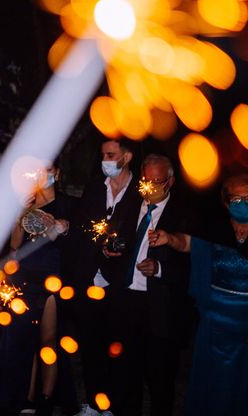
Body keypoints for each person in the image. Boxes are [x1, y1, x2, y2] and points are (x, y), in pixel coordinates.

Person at [0, 164, 81, 416]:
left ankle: (46, 399)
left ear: (58, 173)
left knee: (48, 340)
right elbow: (14, 245)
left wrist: (64, 228)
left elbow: (76, 244)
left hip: (53, 278)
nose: (42, 175)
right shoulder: (26, 200)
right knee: (24, 340)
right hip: (25, 277)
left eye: (49, 169)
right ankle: (26, 399)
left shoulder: (68, 204)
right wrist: (20, 210)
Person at [156, 174, 248, 416]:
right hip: (216, 320)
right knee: (214, 382)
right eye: (237, 198)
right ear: (227, 202)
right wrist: (169, 238)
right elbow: (189, 244)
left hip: (246, 320)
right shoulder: (217, 228)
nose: (243, 203)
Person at [106, 154, 191, 416]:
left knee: (160, 381)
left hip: (161, 308)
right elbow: (113, 239)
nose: (151, 187)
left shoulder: (183, 214)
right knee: (125, 377)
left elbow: (193, 267)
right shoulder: (130, 206)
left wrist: (160, 268)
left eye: (157, 181)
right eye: (146, 180)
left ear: (170, 181)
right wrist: (110, 250)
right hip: (127, 301)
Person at [69, 138, 140, 415]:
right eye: (103, 155)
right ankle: (92, 402)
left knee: (118, 347)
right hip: (89, 279)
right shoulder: (95, 188)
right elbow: (82, 229)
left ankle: (113, 404)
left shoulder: (140, 192)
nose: (105, 160)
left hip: (121, 283)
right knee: (90, 344)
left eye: (111, 155)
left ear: (127, 156)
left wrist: (121, 250)